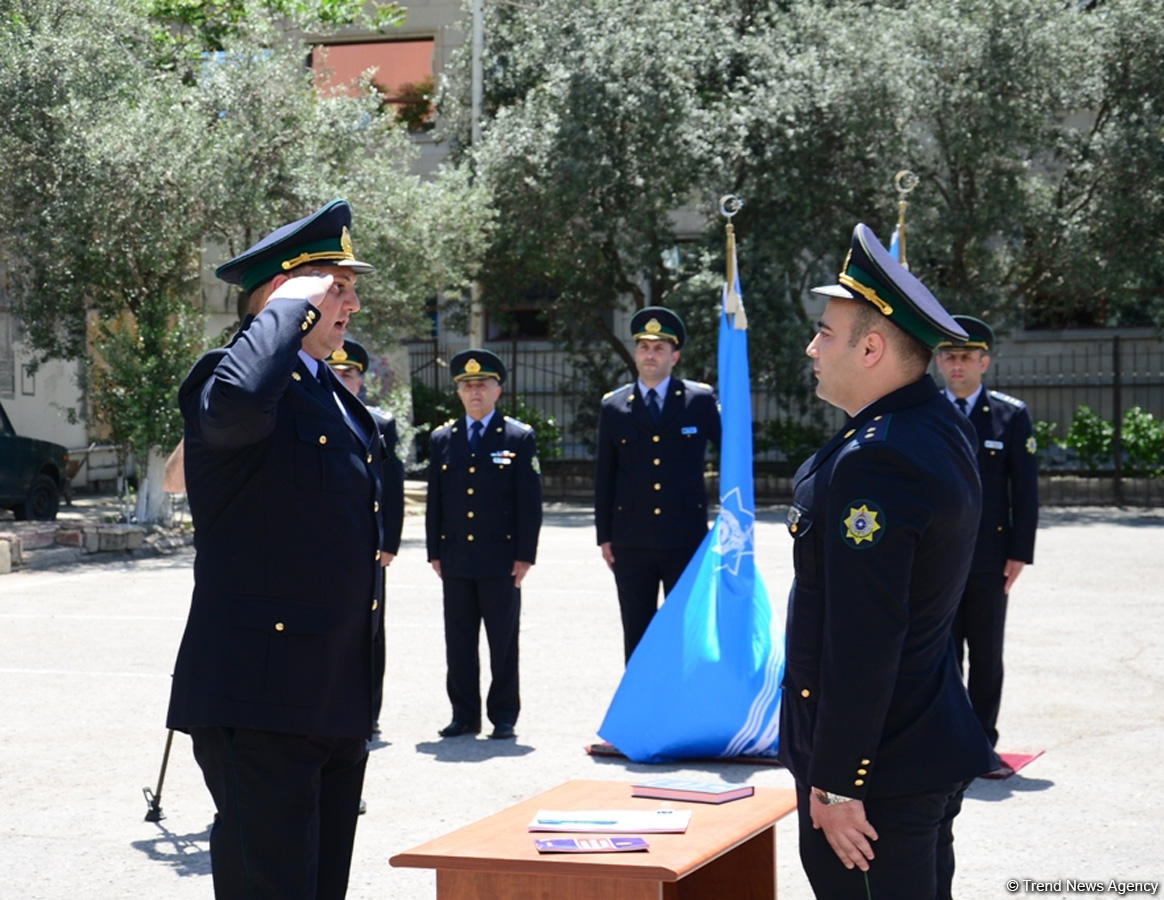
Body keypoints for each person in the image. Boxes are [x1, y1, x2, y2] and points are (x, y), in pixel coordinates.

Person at [166, 199, 390, 899]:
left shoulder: (336, 399)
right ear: (281, 295)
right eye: (334, 287)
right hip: (260, 698)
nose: (351, 303)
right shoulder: (228, 380)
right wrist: (283, 311)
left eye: (351, 288)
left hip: (331, 695)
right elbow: (235, 407)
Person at [778, 223, 996, 899]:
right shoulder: (934, 425)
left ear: (871, 347)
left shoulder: (878, 457)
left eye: (825, 333)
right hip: (916, 748)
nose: (812, 347)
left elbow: (866, 636)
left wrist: (839, 779)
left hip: (876, 779)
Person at [935, 315, 1038, 766]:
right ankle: (944, 738)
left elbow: (1026, 491)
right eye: (948, 356)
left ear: (984, 362)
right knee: (940, 654)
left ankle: (982, 743)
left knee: (986, 654)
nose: (956, 365)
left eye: (965, 357)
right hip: (935, 558)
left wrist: (1019, 552)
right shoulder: (927, 413)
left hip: (988, 558)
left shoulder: (1008, 416)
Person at [425, 348, 542, 740]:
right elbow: (436, 501)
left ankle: (504, 715)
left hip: (500, 558)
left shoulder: (517, 437)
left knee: (502, 642)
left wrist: (525, 554)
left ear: (498, 391)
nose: (475, 392)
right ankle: (464, 714)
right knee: (458, 641)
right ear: (458, 392)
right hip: (456, 557)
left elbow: (529, 502)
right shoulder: (443, 438)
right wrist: (434, 552)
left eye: (483, 385)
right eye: (467, 386)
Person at [594, 306, 720, 662]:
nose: (650, 355)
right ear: (636, 353)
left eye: (659, 348)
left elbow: (732, 452)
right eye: (644, 347)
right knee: (637, 630)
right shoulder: (614, 406)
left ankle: (683, 711)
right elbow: (605, 475)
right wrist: (604, 534)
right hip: (631, 539)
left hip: (685, 535)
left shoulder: (699, 401)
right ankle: (640, 712)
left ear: (674, 356)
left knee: (685, 629)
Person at [324, 338, 407, 737]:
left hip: (368, 549)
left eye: (350, 374)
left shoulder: (379, 422)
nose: (343, 379)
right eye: (336, 372)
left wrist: (388, 544)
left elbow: (392, 487)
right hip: (327, 547)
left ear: (362, 380)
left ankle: (368, 713)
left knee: (370, 633)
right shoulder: (317, 410)